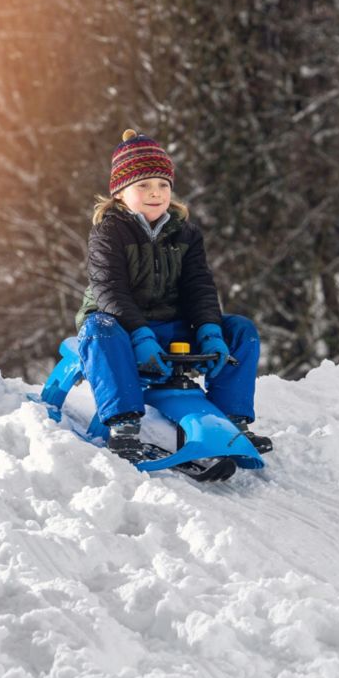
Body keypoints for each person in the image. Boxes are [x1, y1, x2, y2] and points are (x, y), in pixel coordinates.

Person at [75, 129, 272, 463]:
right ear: (121, 193)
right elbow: (110, 289)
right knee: (99, 329)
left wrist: (209, 330)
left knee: (240, 329)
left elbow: (199, 286)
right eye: (144, 186)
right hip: (121, 325)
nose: (156, 193)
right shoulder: (110, 231)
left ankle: (232, 420)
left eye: (162, 185)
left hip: (170, 324)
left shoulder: (185, 232)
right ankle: (123, 424)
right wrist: (139, 334)